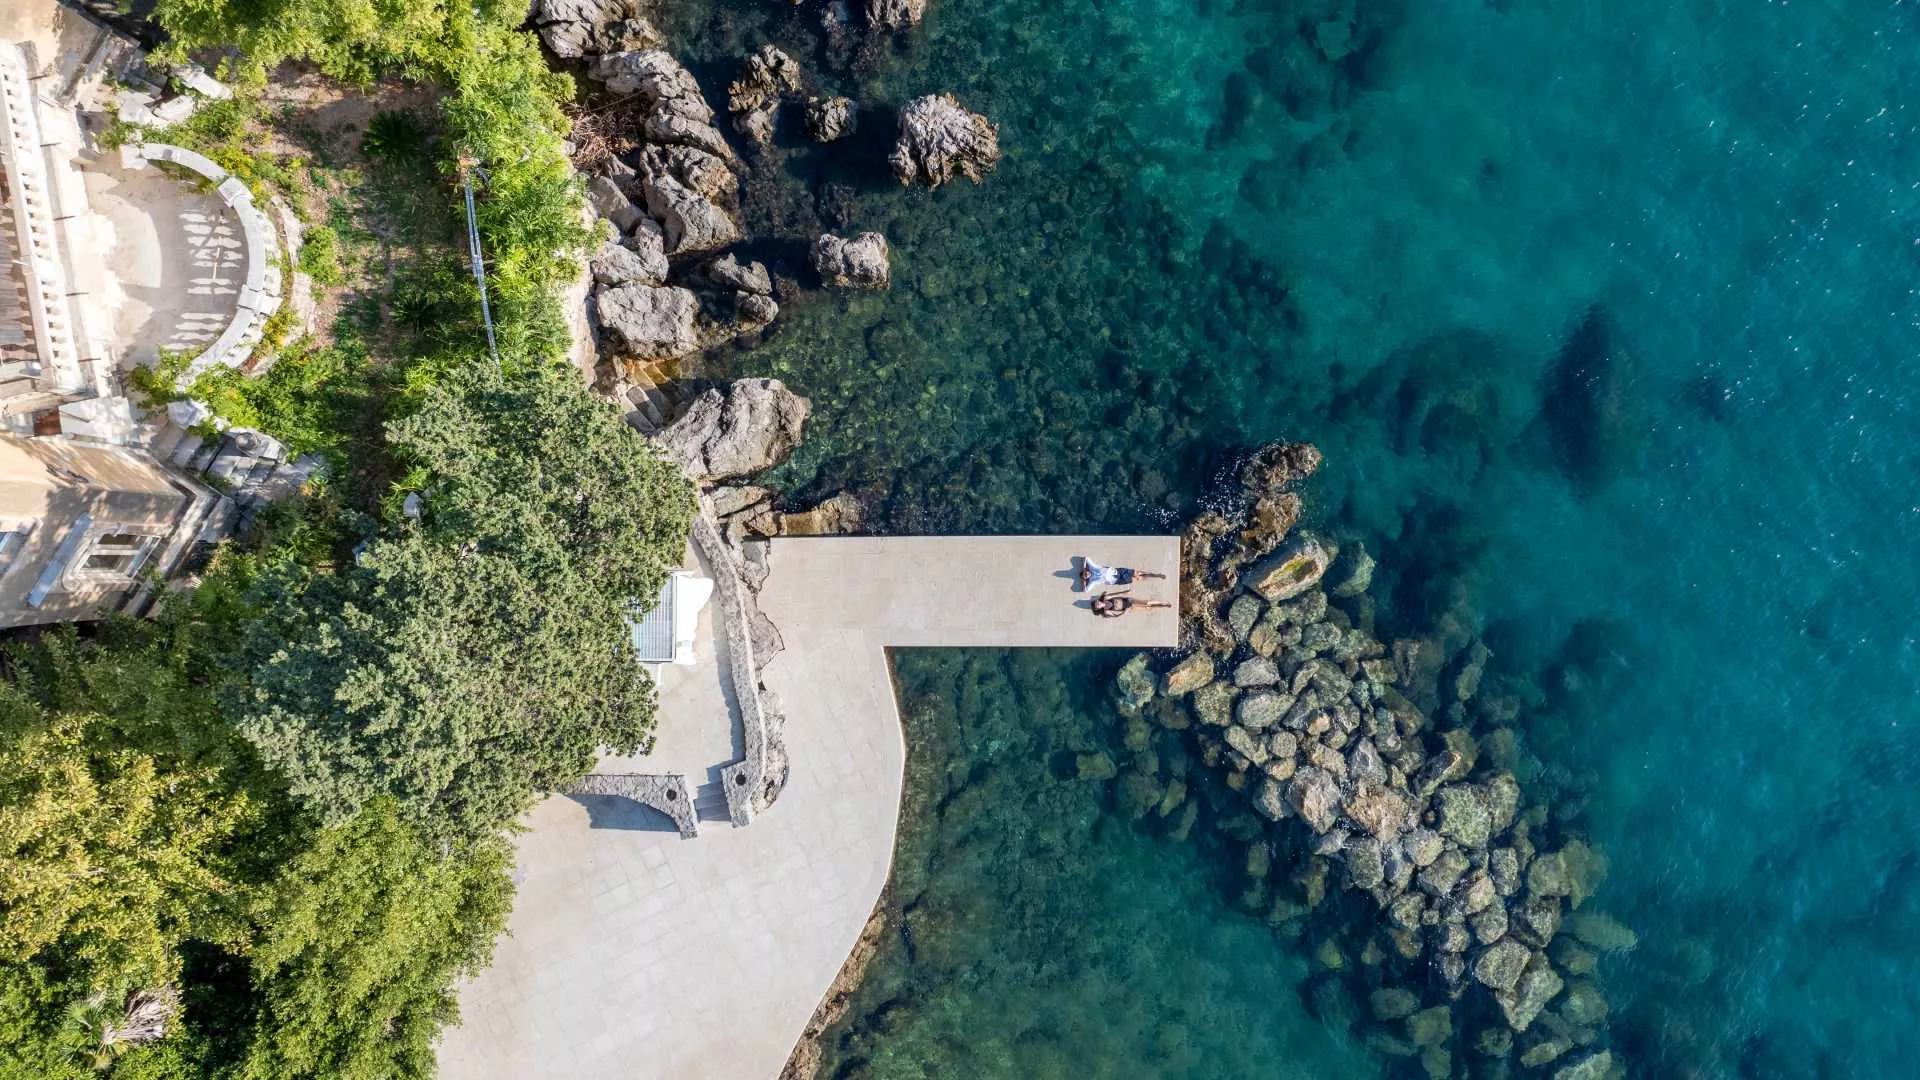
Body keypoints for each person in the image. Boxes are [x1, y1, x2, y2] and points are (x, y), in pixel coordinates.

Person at [1078, 557, 1168, 591]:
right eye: (1085, 576)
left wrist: (1083, 567)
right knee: (1138, 578)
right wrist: (1084, 581)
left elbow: (1086, 558)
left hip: (1118, 571)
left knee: (1138, 573)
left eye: (1085, 573)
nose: (1087, 575)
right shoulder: (1092, 581)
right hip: (1117, 580)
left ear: (1086, 571)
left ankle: (1156, 575)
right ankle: (1153, 577)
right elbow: (1085, 590)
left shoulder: (1093, 568)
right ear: (1086, 578)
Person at [1090, 589, 1171, 618]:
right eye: (1097, 605)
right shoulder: (1106, 611)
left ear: (1098, 601)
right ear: (1098, 608)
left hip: (1129, 600)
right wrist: (1123, 612)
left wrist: (1125, 592)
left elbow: (1116, 594)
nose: (1098, 603)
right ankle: (1162, 607)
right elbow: (1115, 615)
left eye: (1097, 602)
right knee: (1147, 607)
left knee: (1147, 602)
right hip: (1129, 608)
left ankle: (1163, 603)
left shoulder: (1106, 598)